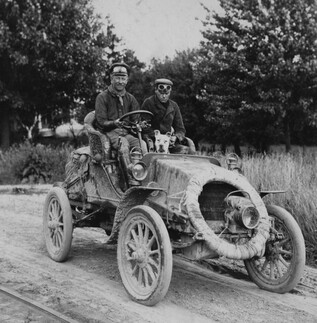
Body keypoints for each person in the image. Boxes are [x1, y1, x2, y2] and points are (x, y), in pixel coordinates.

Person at [94, 62, 145, 184]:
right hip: (109, 133)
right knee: (124, 145)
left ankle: (144, 175)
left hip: (126, 133)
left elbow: (135, 119)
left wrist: (138, 124)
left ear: (127, 80)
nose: (120, 81)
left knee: (142, 144)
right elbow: (100, 122)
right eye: (117, 78)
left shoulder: (130, 99)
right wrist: (114, 123)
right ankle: (129, 179)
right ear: (111, 78)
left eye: (123, 78)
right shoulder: (102, 97)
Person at [141, 78, 195, 153]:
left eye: (166, 94)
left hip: (169, 142)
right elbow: (145, 127)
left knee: (187, 151)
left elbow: (181, 129)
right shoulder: (148, 103)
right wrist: (159, 137)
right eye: (161, 94)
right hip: (153, 141)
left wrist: (175, 137)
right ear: (156, 90)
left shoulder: (174, 106)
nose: (164, 96)